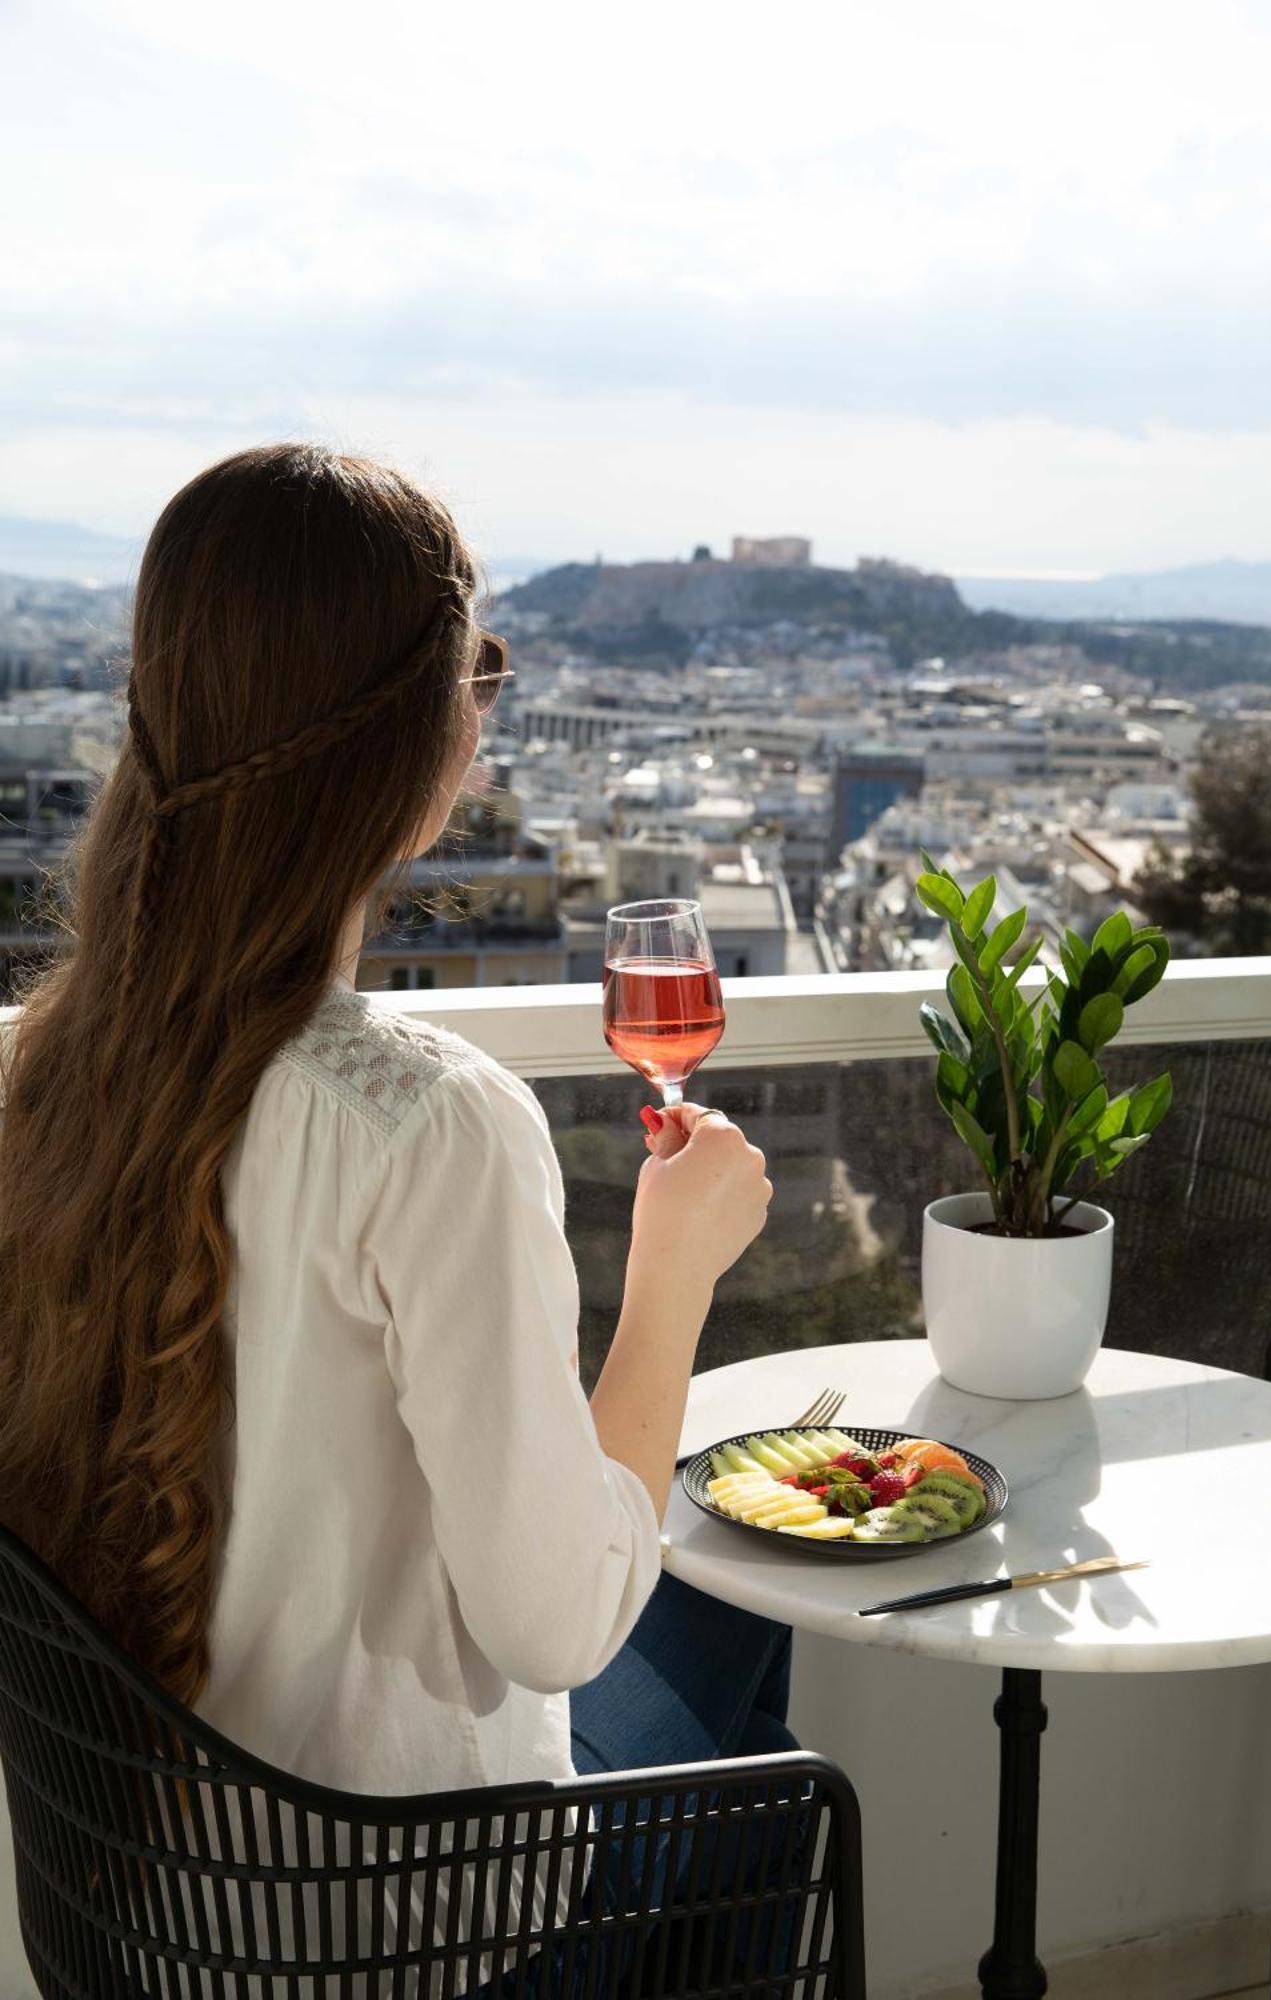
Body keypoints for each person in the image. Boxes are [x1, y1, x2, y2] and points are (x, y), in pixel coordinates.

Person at [0, 443, 794, 1976]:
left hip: (140, 1897)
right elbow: (555, 1631)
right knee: (746, 1695)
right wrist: (675, 1275)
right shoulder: (426, 1122)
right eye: (474, 679)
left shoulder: (42, 1064)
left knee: (722, 1625)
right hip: (399, 1923)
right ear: (418, 744)